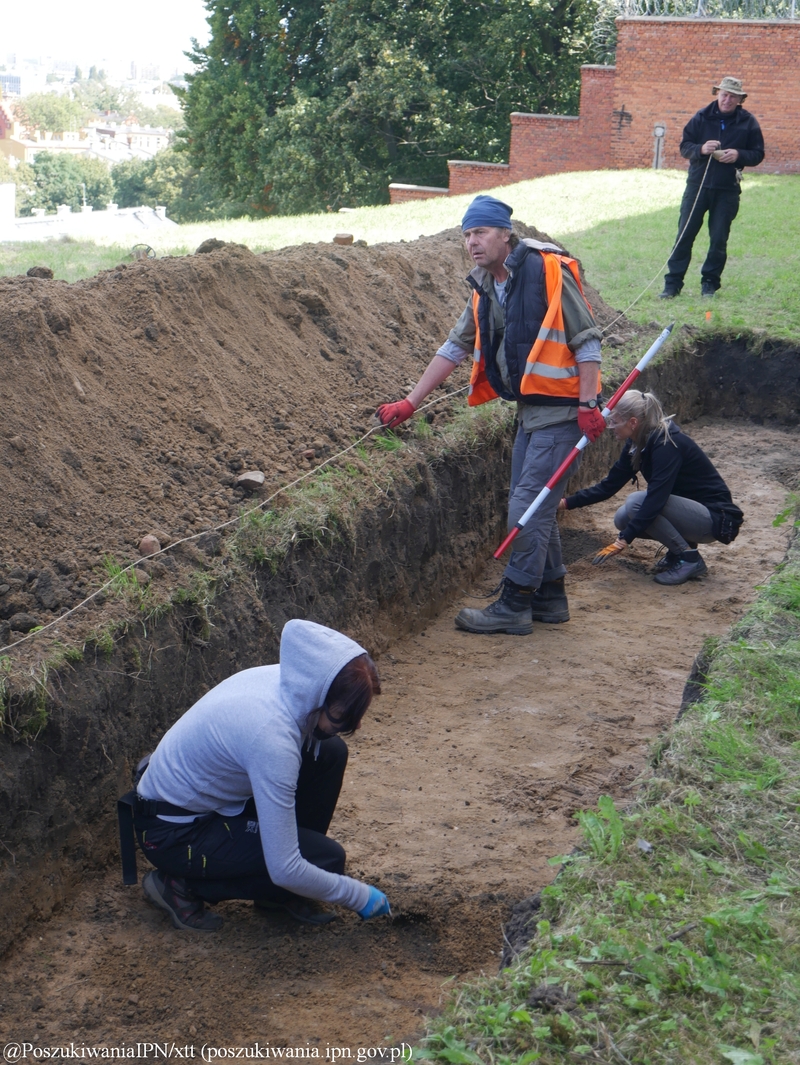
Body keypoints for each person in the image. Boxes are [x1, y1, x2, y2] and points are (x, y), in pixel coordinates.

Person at [376, 194, 605, 636]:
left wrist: (589, 404)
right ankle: (550, 597)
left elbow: (587, 342)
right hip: (530, 412)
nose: (471, 242)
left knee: (526, 507)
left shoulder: (548, 271)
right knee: (534, 506)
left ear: (505, 234)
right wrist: (411, 402)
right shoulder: (485, 285)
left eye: (480, 232)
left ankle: (515, 604)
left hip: (562, 415)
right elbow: (455, 346)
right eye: (466, 234)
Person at [118, 619, 392, 931]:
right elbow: (285, 868)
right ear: (319, 696)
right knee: (324, 862)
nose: (350, 729)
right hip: (174, 835)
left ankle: (277, 895)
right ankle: (179, 886)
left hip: (197, 803)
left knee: (330, 754)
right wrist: (357, 895)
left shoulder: (291, 684)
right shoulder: (272, 738)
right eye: (342, 719)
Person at [559, 391, 743, 586]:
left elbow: (656, 498)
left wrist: (623, 540)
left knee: (636, 503)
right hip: (692, 512)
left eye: (614, 421)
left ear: (632, 422)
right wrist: (565, 503)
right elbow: (609, 486)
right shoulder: (637, 443)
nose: (610, 427)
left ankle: (689, 558)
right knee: (622, 517)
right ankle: (679, 551)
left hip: (714, 519)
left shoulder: (666, 445)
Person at [661, 76, 764, 300]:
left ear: (740, 100)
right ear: (717, 94)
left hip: (727, 190)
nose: (727, 99)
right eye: (724, 94)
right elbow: (684, 147)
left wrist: (739, 154)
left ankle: (709, 284)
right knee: (684, 235)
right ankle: (672, 285)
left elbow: (758, 154)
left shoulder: (748, 122)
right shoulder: (701, 117)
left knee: (718, 239)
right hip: (697, 187)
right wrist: (701, 149)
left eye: (733, 96)